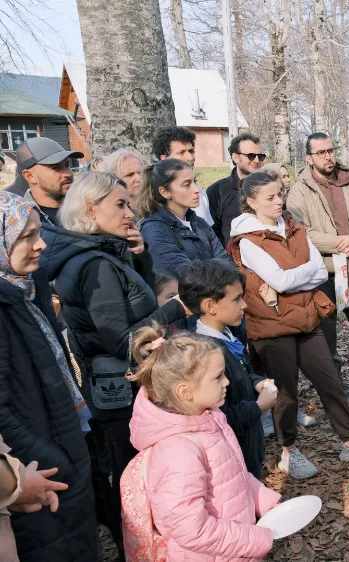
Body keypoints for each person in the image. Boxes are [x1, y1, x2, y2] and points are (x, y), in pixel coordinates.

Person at [40, 172, 191, 554]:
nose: (130, 212)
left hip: (118, 385)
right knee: (132, 476)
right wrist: (174, 308)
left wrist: (139, 257)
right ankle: (136, 549)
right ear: (90, 209)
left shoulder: (102, 254)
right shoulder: (94, 264)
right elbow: (122, 340)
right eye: (120, 204)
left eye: (129, 203)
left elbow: (133, 303)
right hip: (120, 389)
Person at [230, 173, 349, 478]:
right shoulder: (247, 240)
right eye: (270, 197)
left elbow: (317, 272)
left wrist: (292, 278)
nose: (279, 202)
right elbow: (280, 280)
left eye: (280, 195)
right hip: (272, 326)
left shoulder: (293, 226)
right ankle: (289, 451)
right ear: (251, 202)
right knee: (284, 393)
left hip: (306, 317)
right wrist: (294, 277)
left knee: (329, 381)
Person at [0, 192, 98, 561]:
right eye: (27, 236)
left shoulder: (22, 290)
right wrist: (48, 460)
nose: (40, 244)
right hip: (37, 472)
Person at [125, 326, 279, 561]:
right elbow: (191, 529)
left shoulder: (208, 420)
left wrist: (265, 502)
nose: (227, 382)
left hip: (232, 549)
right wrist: (255, 539)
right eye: (218, 376)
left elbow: (232, 473)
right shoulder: (179, 451)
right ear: (185, 391)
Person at [287, 132, 349, 395]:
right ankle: (333, 386)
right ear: (309, 158)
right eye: (321, 153)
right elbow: (301, 232)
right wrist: (340, 242)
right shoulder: (300, 191)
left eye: (330, 150)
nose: (328, 157)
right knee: (327, 332)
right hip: (323, 272)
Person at [179, 260, 276, 478]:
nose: (244, 305)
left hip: (247, 448)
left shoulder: (227, 337)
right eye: (236, 299)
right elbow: (217, 418)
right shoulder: (206, 354)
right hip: (231, 460)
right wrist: (258, 407)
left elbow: (242, 373)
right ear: (210, 306)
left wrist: (256, 382)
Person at [134, 159, 229, 277]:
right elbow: (186, 276)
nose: (196, 189)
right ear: (164, 192)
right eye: (186, 184)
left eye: (195, 181)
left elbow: (228, 265)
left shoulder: (200, 223)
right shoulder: (154, 230)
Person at [207, 132, 265, 246]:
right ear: (235, 157)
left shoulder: (270, 187)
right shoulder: (217, 191)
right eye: (251, 155)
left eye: (261, 156)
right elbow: (212, 233)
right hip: (232, 260)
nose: (257, 160)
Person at [11, 138, 82, 227]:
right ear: (30, 176)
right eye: (55, 168)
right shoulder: (18, 222)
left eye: (67, 165)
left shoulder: (89, 207)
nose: (68, 173)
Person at [150, 125, 214, 225]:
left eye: (191, 151)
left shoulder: (199, 192)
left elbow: (208, 231)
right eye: (181, 152)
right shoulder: (153, 196)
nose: (190, 157)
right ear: (164, 158)